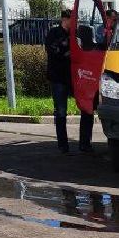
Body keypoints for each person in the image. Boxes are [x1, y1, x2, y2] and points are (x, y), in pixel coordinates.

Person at [44, 9, 95, 155]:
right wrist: (68, 50)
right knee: (61, 112)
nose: (75, 22)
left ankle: (85, 143)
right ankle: (63, 145)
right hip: (59, 78)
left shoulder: (79, 34)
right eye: (73, 19)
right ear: (64, 19)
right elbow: (53, 51)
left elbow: (88, 49)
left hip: (78, 78)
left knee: (87, 108)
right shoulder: (54, 33)